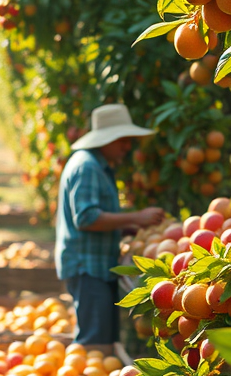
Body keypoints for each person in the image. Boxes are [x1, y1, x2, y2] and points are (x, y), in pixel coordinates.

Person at [55, 103, 165, 345]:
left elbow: (98, 215)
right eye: (122, 140)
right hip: (88, 267)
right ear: (105, 139)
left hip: (94, 265)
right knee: (95, 342)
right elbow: (86, 218)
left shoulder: (97, 166)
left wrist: (129, 225)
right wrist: (135, 217)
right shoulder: (88, 167)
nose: (128, 146)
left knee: (103, 338)